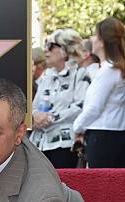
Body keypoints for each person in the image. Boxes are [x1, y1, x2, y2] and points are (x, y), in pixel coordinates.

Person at [73, 18, 125, 168]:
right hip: (111, 135)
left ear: (102, 42)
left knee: (104, 188)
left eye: (95, 36)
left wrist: (77, 127)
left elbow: (94, 108)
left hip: (103, 138)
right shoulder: (112, 69)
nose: (92, 39)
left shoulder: (109, 71)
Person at [29, 29, 91, 169]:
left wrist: (50, 118)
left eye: (50, 46)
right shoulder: (47, 76)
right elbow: (34, 106)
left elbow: (79, 107)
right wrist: (34, 116)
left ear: (64, 50)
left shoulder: (80, 74)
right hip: (39, 145)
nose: (46, 50)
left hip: (64, 146)